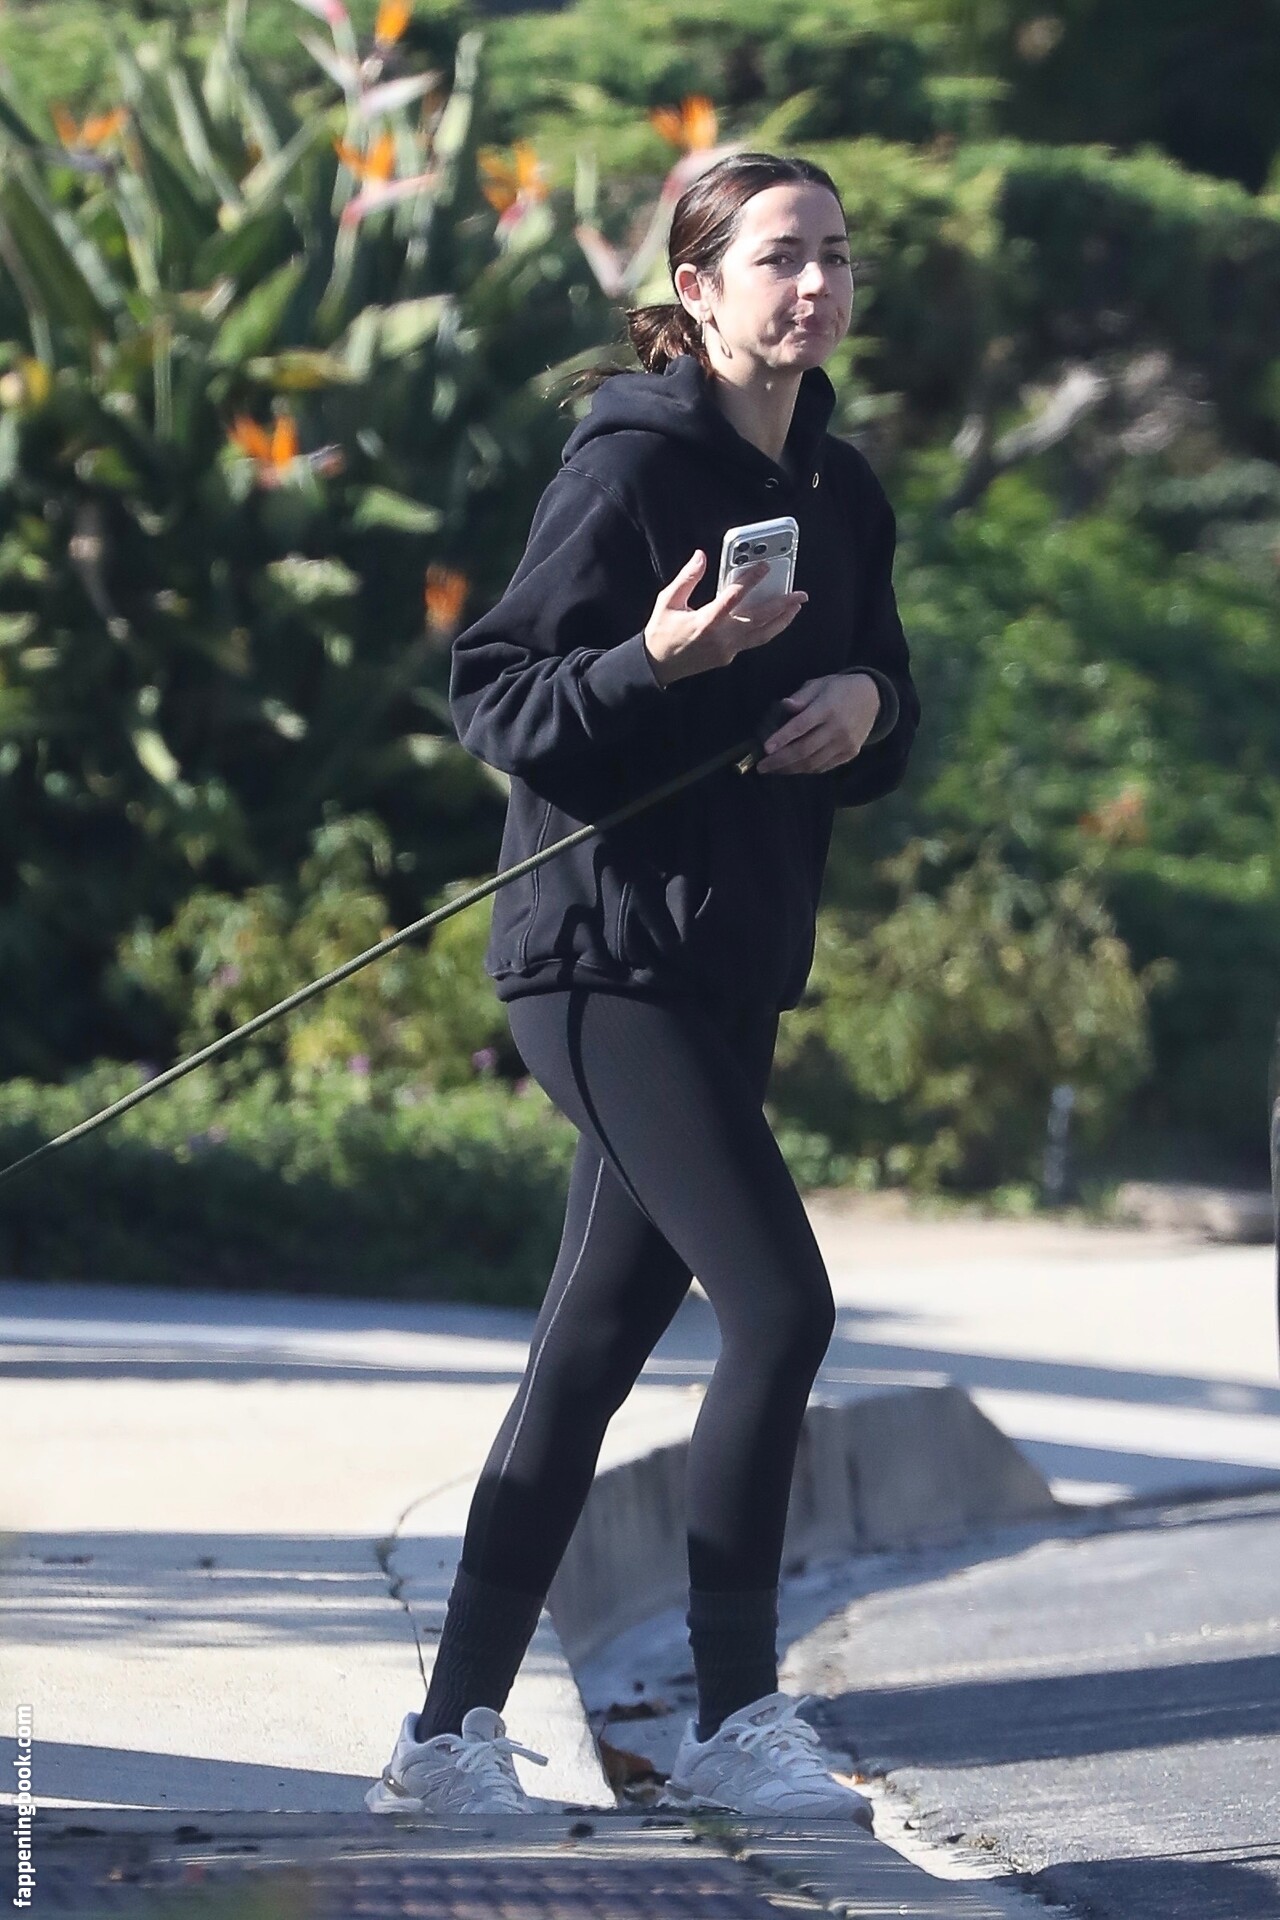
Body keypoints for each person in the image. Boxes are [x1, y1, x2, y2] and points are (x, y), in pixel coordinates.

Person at [366, 150, 919, 1822]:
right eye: (780, 257)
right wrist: (655, 659)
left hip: (732, 960)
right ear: (698, 287)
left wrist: (868, 712)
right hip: (598, 953)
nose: (813, 286)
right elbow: (497, 698)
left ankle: (445, 1739)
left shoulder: (843, 492)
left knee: (595, 1346)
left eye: (835, 255)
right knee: (782, 1306)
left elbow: (890, 696)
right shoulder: (628, 468)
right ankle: (737, 1720)